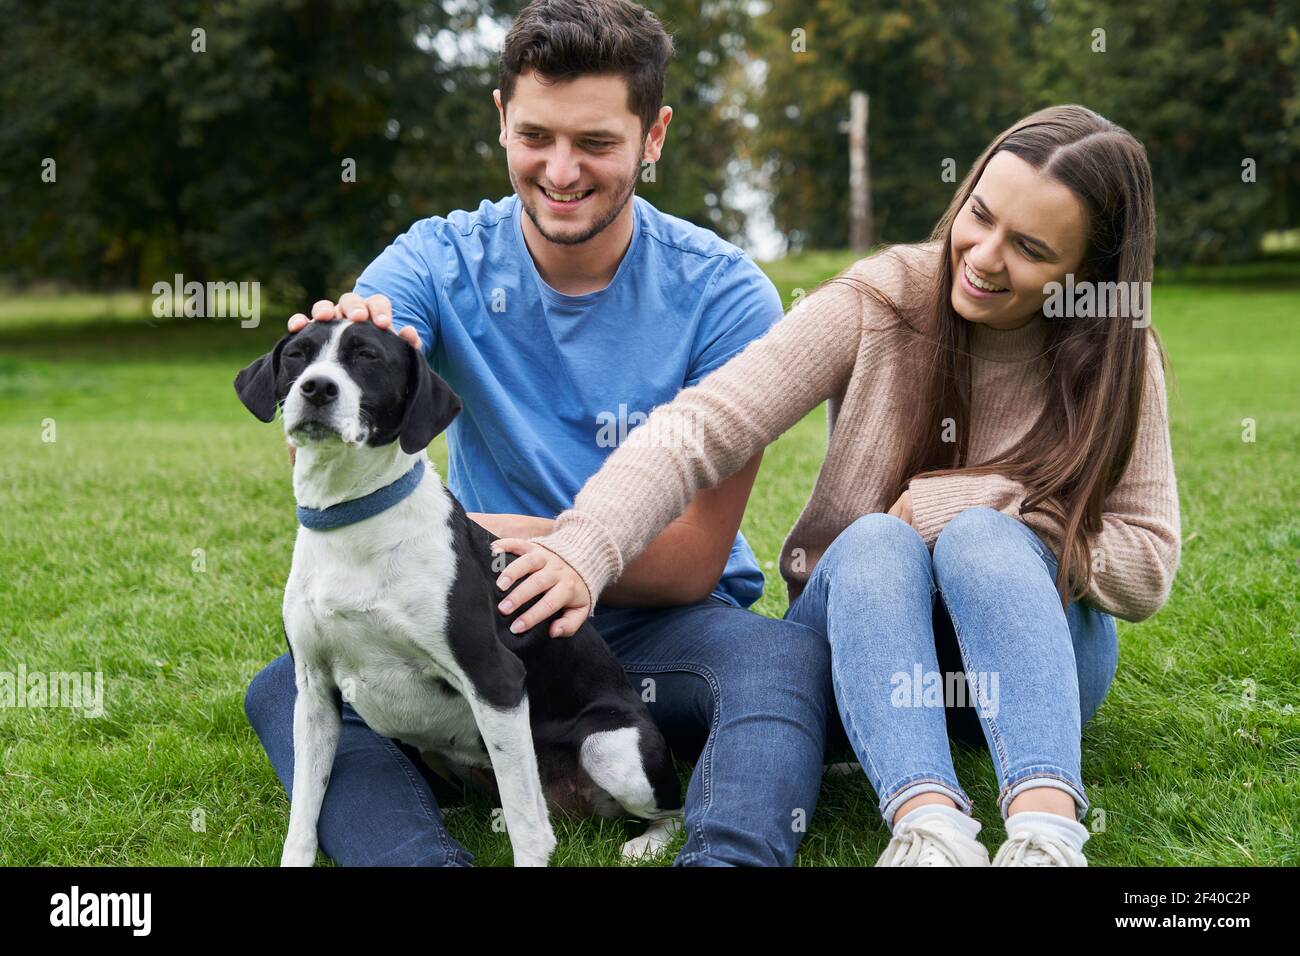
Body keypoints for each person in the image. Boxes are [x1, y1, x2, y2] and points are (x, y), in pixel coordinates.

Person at [493, 104, 1182, 867]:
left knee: (984, 534)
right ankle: (929, 828)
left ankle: (1047, 832)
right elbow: (707, 423)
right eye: (979, 216)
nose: (983, 256)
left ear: (1086, 272)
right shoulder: (884, 299)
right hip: (865, 643)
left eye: (1029, 248)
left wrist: (977, 504)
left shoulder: (1119, 359)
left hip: (1038, 662)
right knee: (880, 535)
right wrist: (586, 544)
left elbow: (1147, 563)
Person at [243, 0, 835, 867]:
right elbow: (352, 379)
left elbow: (687, 561)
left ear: (653, 136)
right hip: (490, 619)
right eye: (536, 137)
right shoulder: (433, 261)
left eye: (596, 143)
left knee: (781, 663)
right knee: (283, 686)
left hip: (655, 626)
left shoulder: (724, 296)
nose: (561, 171)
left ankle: (727, 856)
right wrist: (334, 365)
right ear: (502, 122)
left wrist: (499, 540)